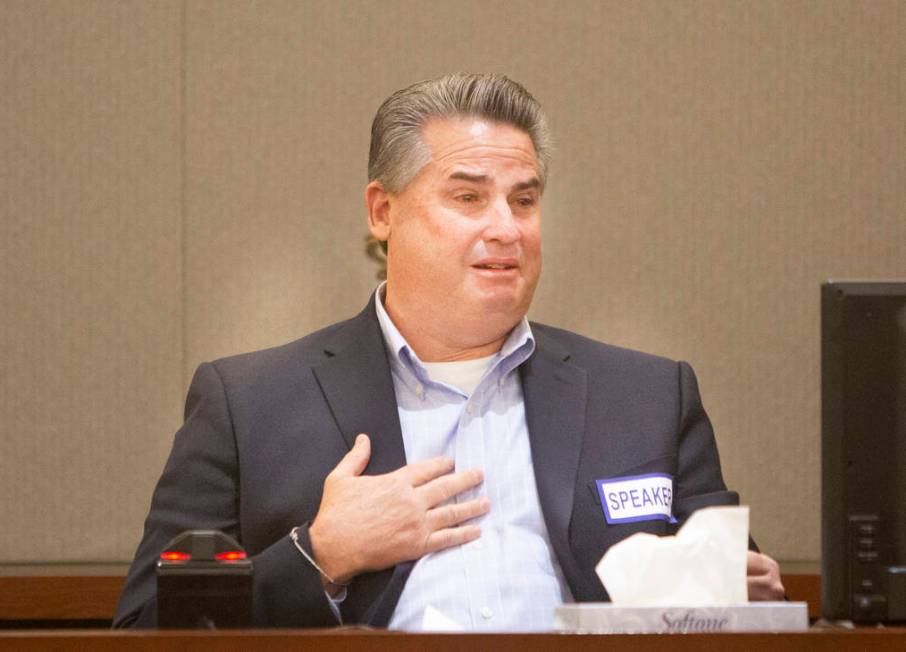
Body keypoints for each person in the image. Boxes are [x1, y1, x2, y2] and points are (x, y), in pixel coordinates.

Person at [113, 73, 783, 631]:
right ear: (383, 212)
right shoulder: (249, 404)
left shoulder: (645, 398)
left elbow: (738, 606)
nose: (506, 228)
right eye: (468, 197)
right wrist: (321, 555)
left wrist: (745, 599)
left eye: (524, 200)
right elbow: (147, 631)